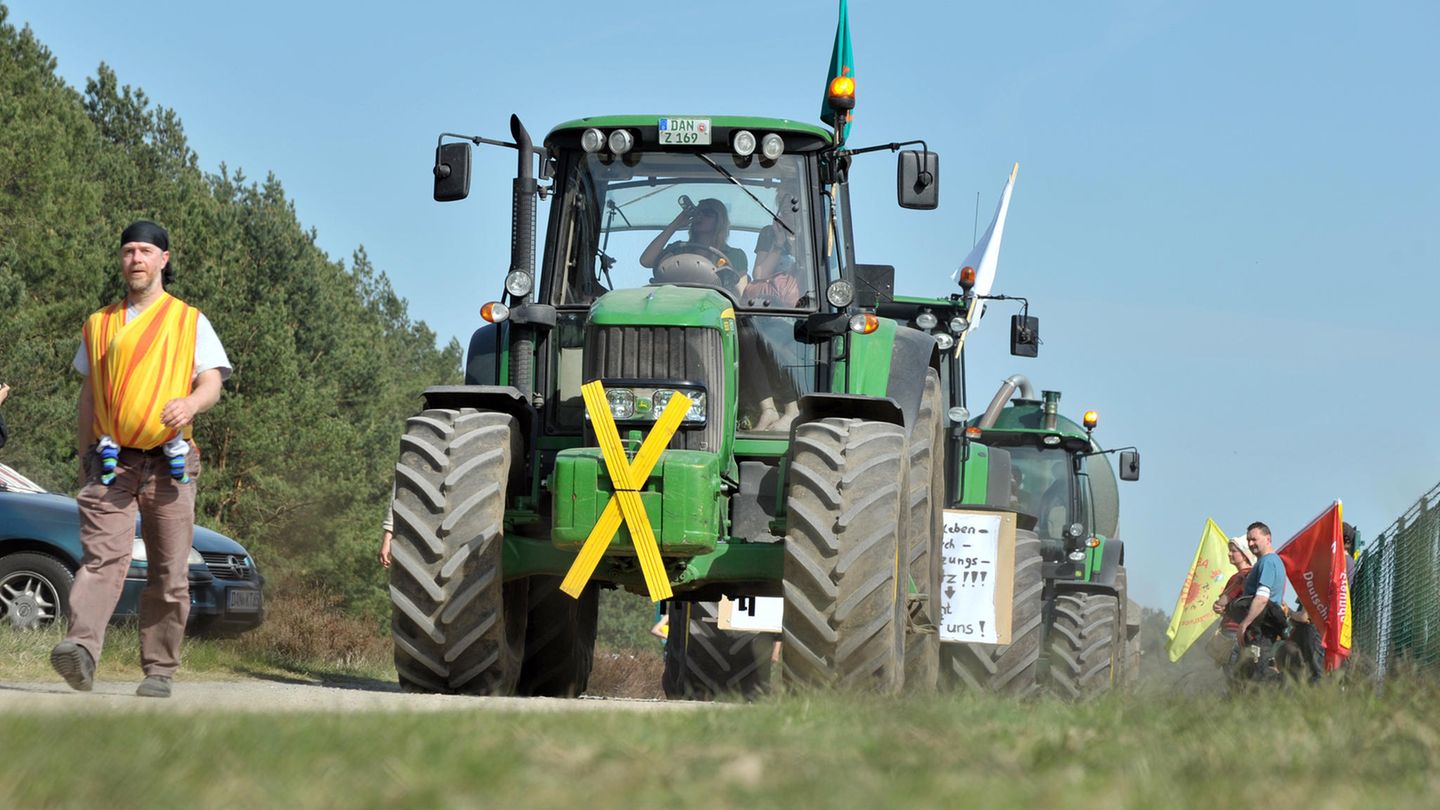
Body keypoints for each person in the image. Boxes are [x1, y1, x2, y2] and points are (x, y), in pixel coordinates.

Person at [50, 220, 230, 699]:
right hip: (112, 462)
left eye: (146, 251)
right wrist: (84, 452)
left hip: (170, 464)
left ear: (163, 260)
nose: (136, 259)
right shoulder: (100, 323)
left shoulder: (189, 320)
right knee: (101, 559)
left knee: (169, 572)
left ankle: (158, 670)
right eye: (129, 251)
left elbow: (212, 380)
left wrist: (191, 405)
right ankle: (81, 649)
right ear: (122, 259)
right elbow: (89, 393)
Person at [639, 197, 748, 284]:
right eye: (697, 212)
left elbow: (739, 293)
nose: (700, 216)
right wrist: (675, 224)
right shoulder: (678, 249)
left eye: (707, 213)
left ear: (720, 220)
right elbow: (646, 260)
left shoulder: (736, 255)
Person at [1231, 521, 1289, 680]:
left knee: (1260, 672)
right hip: (1260, 626)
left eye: (1254, 539)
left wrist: (1245, 623)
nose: (1250, 544)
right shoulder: (1265, 562)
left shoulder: (1269, 561)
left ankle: (1289, 694)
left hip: (1261, 627)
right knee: (1250, 671)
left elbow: (1262, 598)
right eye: (1249, 540)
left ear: (1268, 538)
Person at [1206, 537, 1254, 668]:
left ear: (1244, 555)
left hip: (1232, 631)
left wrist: (1219, 605)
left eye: (1233, 551)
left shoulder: (1240, 576)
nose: (1229, 554)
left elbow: (1220, 604)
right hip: (1248, 632)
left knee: (1232, 675)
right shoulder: (1255, 575)